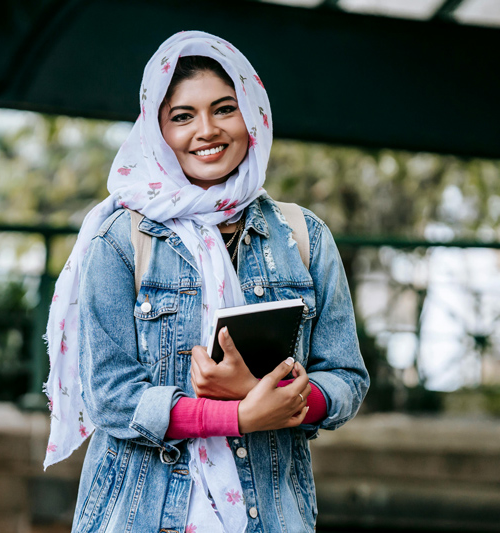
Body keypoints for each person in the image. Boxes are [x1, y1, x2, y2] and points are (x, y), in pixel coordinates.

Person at [44, 31, 369, 533]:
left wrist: (284, 396)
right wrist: (239, 414)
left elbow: (346, 377)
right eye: (182, 116)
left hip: (271, 518)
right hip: (142, 518)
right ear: (156, 129)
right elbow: (110, 396)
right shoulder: (120, 239)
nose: (206, 130)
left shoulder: (304, 236)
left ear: (253, 115)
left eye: (224, 109)